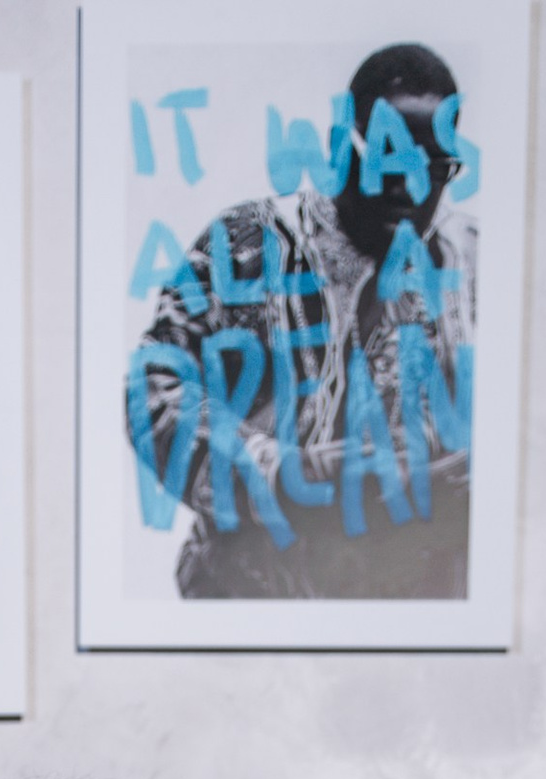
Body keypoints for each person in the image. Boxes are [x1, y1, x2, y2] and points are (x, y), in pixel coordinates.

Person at [127, 42, 477, 602]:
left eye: (433, 167)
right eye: (389, 158)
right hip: (246, 605)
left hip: (412, 616)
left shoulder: (473, 268)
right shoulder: (246, 247)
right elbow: (154, 390)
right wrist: (281, 474)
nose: (410, 187)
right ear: (339, 148)